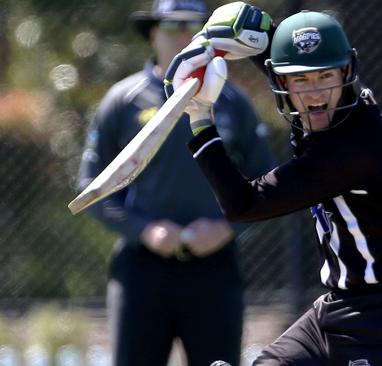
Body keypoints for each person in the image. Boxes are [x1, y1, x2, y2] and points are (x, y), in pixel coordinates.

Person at [165, 2, 382, 365]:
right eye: (300, 80)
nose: (313, 94)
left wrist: (201, 122)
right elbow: (291, 60)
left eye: (325, 78)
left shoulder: (354, 147)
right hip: (337, 310)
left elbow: (243, 205)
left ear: (346, 73)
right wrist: (257, 35)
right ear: (282, 83)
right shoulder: (328, 113)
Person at [76, 1, 274, 365]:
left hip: (215, 267)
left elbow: (267, 183)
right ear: (153, 33)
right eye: (172, 26)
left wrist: (226, 229)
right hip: (142, 268)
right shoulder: (123, 100)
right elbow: (93, 189)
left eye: (193, 26)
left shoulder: (232, 102)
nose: (183, 35)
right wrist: (146, 230)